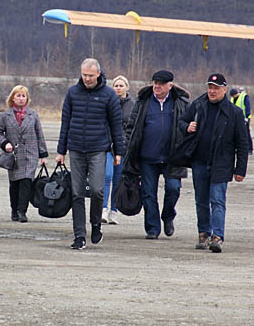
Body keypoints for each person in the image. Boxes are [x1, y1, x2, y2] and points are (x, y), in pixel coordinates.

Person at [55, 58, 125, 250]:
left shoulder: (109, 95)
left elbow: (116, 126)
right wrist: (61, 151)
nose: (86, 79)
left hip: (98, 149)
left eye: (90, 76)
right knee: (77, 193)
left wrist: (119, 151)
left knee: (96, 189)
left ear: (98, 75)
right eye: (84, 75)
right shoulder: (72, 93)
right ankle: (79, 235)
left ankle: (95, 224)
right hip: (76, 148)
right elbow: (65, 123)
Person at [177, 73, 248, 253]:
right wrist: (187, 126)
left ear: (224, 89)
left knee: (217, 200)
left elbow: (242, 143)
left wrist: (240, 169)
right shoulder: (199, 105)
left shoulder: (235, 113)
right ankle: (204, 233)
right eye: (210, 87)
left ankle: (217, 236)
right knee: (201, 200)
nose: (212, 91)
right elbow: (181, 121)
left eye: (216, 88)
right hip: (200, 161)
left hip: (221, 163)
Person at [123, 70, 190, 239]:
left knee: (173, 189)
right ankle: (152, 228)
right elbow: (131, 126)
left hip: (173, 157)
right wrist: (128, 147)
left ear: (170, 85)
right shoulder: (143, 101)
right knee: (148, 193)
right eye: (155, 83)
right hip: (147, 157)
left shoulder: (180, 102)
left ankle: (168, 216)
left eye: (161, 84)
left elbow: (188, 126)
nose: (157, 86)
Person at [0, 85, 48, 222]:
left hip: (30, 154)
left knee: (26, 182)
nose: (21, 98)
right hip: (14, 155)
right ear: (12, 98)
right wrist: (5, 143)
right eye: (18, 95)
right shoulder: (5, 116)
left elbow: (39, 134)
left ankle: (22, 211)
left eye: (24, 96)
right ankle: (14, 210)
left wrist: (43, 155)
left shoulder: (33, 115)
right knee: (15, 183)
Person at [102, 75, 134, 225]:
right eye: (116, 85)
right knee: (107, 176)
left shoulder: (133, 106)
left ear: (127, 87)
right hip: (107, 145)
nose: (118, 88)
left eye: (121, 85)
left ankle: (114, 211)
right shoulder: (107, 102)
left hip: (124, 148)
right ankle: (103, 208)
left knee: (118, 179)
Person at [230, 87, 253, 154]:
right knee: (236, 134)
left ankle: (250, 149)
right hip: (236, 119)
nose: (233, 97)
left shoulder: (244, 97)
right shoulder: (232, 99)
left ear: (236, 94)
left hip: (244, 118)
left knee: (246, 133)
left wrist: (247, 117)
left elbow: (247, 107)